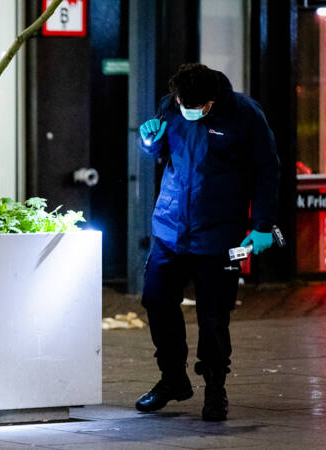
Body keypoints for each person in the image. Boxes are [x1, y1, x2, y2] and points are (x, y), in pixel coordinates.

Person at [135, 63, 279, 421]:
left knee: (213, 316)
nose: (186, 108)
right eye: (182, 102)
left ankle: (215, 388)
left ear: (211, 101)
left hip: (219, 235)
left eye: (194, 105)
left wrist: (263, 225)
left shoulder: (244, 115)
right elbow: (160, 152)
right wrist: (149, 141)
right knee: (155, 300)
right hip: (170, 228)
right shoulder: (171, 105)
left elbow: (266, 170)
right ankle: (173, 380)